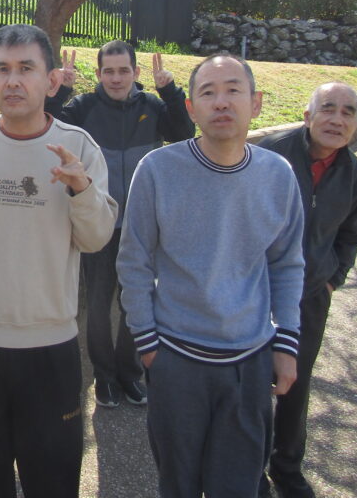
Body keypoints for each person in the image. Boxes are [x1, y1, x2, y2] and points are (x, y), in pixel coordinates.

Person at [0, 24, 118, 498]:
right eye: (2, 69)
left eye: (26, 68)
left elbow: (96, 239)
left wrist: (80, 190)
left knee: (52, 481)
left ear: (51, 81)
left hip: (48, 345)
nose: (13, 81)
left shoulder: (79, 148)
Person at [116, 54, 305, 498]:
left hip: (250, 361)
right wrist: (147, 344)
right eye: (208, 92)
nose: (221, 102)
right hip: (175, 359)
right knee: (177, 485)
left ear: (256, 102)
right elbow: (134, 261)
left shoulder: (277, 175)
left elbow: (286, 263)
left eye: (233, 90)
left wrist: (287, 342)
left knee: (239, 486)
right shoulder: (158, 170)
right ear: (191, 108)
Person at [46, 41, 194, 407]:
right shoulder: (83, 107)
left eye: (123, 71)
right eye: (108, 71)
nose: (116, 78)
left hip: (141, 226)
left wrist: (170, 92)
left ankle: (130, 373)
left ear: (135, 73)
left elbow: (184, 133)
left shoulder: (152, 106)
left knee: (135, 303)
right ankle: (105, 377)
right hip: (98, 223)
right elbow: (48, 126)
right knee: (98, 306)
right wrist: (61, 90)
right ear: (98, 74)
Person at [258, 82, 357, 498]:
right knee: (253, 383)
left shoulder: (353, 174)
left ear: (356, 124)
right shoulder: (272, 154)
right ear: (308, 116)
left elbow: (353, 234)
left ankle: (287, 468)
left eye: (348, 112)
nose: (337, 119)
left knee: (295, 383)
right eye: (328, 108)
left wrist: (333, 278)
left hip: (310, 297)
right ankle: (251, 470)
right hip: (259, 292)